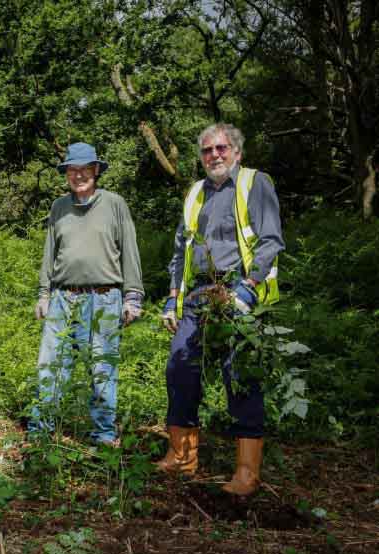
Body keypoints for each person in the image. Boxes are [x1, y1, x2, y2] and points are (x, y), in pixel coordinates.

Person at [157, 123, 284, 496]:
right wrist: (171, 298)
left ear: (237, 152)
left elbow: (271, 240)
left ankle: (247, 471)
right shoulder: (195, 192)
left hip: (238, 291)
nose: (214, 155)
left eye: (221, 148)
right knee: (179, 367)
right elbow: (182, 251)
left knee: (240, 374)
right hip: (198, 295)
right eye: (207, 150)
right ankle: (182, 456)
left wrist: (248, 290)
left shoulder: (254, 183)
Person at [30, 143, 144, 447]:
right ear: (66, 173)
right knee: (50, 365)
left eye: (84, 169)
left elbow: (130, 251)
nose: (78, 175)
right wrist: (44, 294)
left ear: (96, 170)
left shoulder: (115, 204)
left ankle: (104, 435)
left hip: (105, 298)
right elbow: (49, 254)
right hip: (63, 298)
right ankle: (42, 432)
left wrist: (133, 296)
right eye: (72, 170)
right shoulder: (58, 207)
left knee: (102, 368)